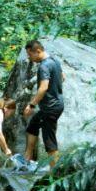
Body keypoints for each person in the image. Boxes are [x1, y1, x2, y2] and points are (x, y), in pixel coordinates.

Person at [22, 39, 64, 168]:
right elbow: (63, 77)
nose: (29, 58)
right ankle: (27, 159)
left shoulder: (44, 66)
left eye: (30, 55)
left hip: (50, 108)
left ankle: (55, 173)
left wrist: (32, 104)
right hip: (55, 105)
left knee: (49, 142)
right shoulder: (54, 61)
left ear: (38, 51)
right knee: (32, 126)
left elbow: (43, 88)